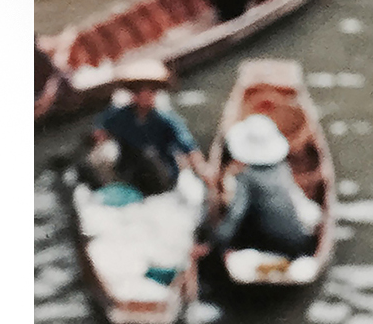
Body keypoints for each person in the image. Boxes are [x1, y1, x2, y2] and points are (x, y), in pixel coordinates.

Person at [206, 113, 319, 257]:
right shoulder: (282, 167)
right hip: (300, 241)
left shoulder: (246, 177)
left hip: (267, 244)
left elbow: (236, 215)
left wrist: (213, 243)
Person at [88, 61, 206, 198]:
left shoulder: (165, 119)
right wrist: (100, 139)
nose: (144, 95)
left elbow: (189, 147)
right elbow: (100, 128)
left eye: (150, 91)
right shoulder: (119, 116)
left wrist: (203, 170)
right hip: (131, 173)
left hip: (163, 174)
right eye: (138, 91)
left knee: (149, 156)